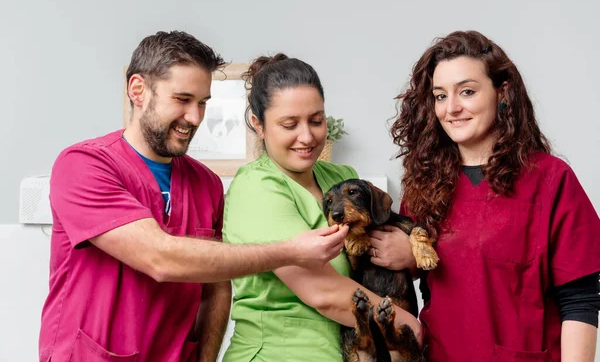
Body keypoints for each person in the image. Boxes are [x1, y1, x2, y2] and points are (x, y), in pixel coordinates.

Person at [38, 31, 350, 362]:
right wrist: (290, 251)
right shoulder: (84, 166)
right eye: (183, 99)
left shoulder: (206, 184)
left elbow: (216, 287)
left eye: (202, 102)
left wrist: (206, 357)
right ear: (138, 90)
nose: (195, 117)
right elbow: (159, 257)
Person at [372, 30, 600, 361]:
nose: (452, 108)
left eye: (467, 91)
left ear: (501, 92)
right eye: (439, 96)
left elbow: (580, 299)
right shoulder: (424, 183)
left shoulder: (550, 179)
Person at [221, 54, 422, 362]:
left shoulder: (339, 178)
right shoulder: (256, 188)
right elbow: (323, 293)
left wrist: (409, 256)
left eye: (316, 120)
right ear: (258, 125)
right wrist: (409, 327)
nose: (307, 136)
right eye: (289, 124)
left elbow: (381, 261)